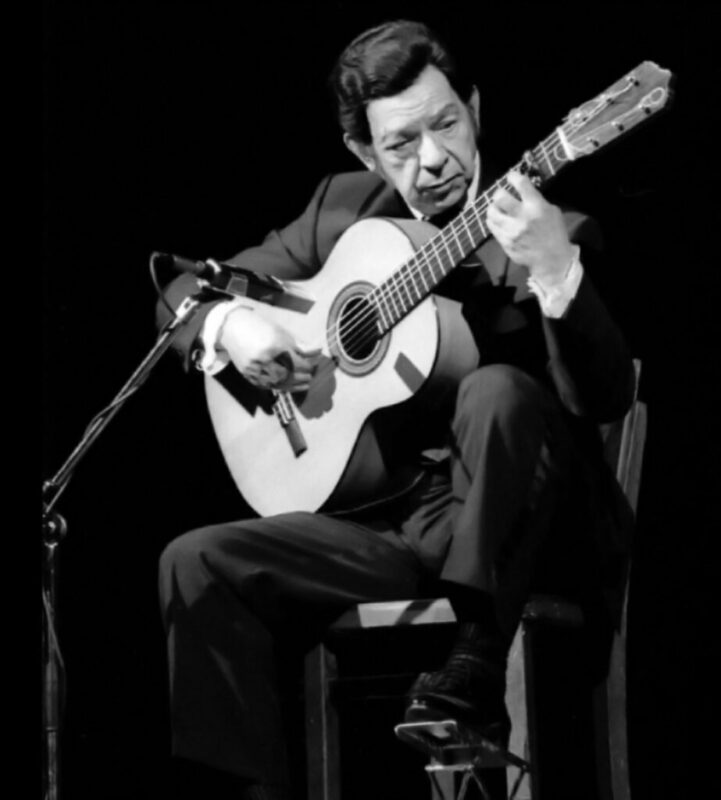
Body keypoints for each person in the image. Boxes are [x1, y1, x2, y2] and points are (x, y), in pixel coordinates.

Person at [157, 19, 635, 800]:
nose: (433, 158)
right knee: (196, 561)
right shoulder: (344, 210)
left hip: (527, 522)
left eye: (446, 123)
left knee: (494, 387)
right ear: (364, 154)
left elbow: (602, 397)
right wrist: (230, 325)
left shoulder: (553, 228)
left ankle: (475, 665)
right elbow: (185, 289)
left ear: (474, 107)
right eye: (400, 144)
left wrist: (555, 271)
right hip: (392, 526)